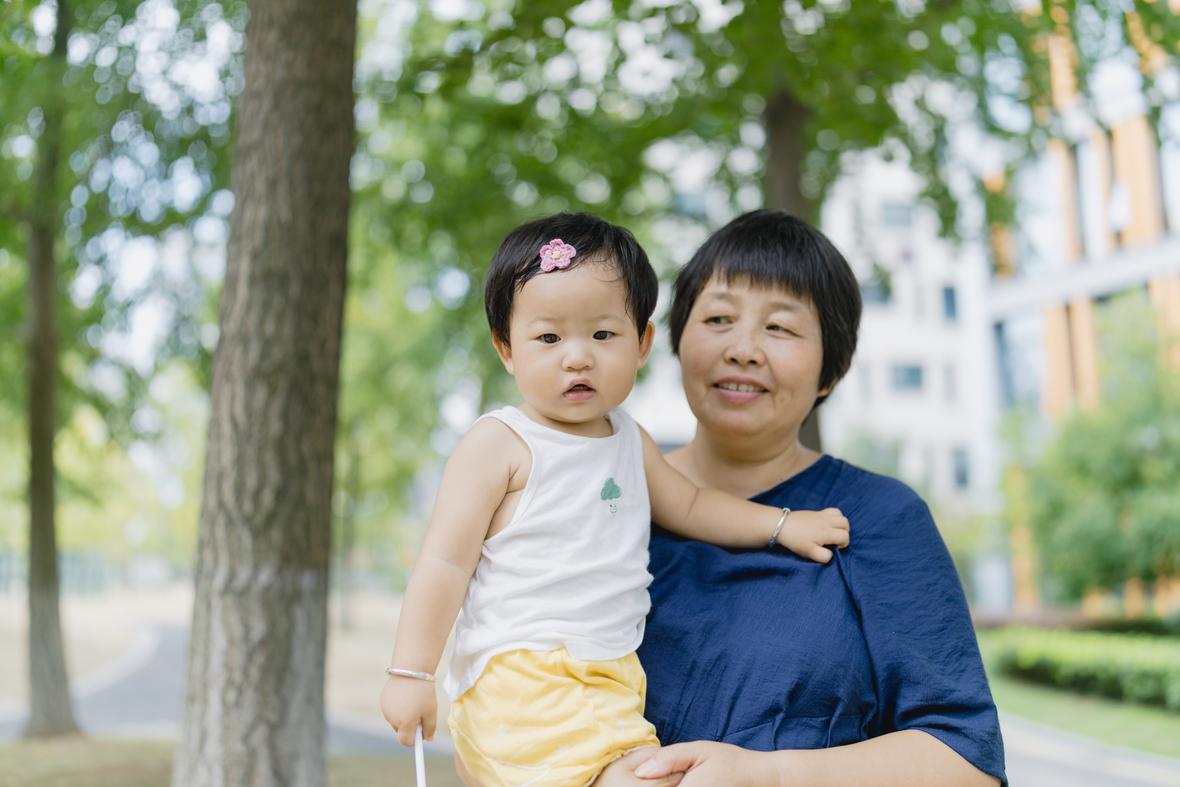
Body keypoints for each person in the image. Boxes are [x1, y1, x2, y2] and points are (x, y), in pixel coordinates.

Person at [378, 212, 851, 787]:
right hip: (526, 677)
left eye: (602, 335)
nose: (577, 357)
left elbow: (693, 507)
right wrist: (411, 673)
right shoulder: (501, 444)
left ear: (643, 343)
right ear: (507, 349)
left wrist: (781, 524)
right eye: (548, 338)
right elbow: (444, 563)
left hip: (611, 675)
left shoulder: (629, 440)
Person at [598, 210, 1006, 787]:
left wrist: (766, 775)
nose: (743, 349)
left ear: (829, 371)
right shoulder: (601, 497)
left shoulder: (877, 516)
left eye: (780, 328)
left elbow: (966, 759)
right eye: (718, 318)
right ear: (673, 341)